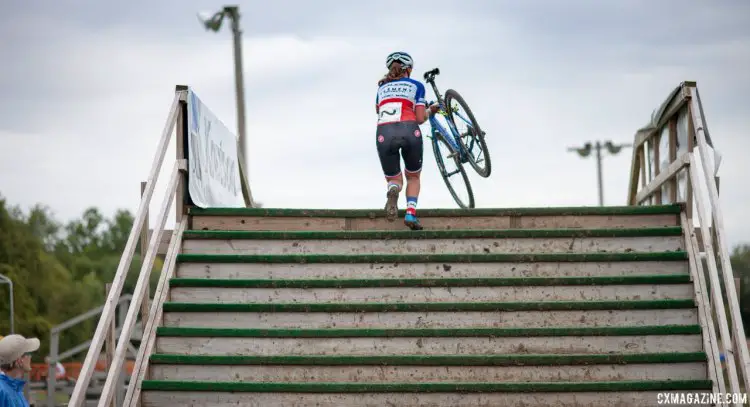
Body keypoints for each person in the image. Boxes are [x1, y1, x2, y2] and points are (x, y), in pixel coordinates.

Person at [375, 51, 439, 230]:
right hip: (409, 130)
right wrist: (430, 111)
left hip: (384, 132)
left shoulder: (381, 88)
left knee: (394, 179)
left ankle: (393, 189)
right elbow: (419, 118)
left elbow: (377, 110)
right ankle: (410, 213)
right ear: (408, 69)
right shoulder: (417, 85)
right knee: (413, 176)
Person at [0, 334, 39, 407]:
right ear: (19, 361)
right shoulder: (3, 391)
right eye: (28, 353)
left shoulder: (14, 387)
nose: (30, 357)